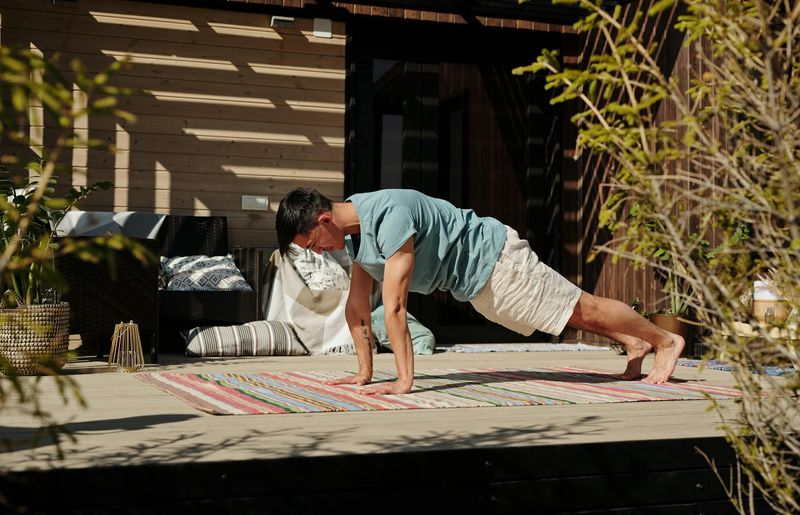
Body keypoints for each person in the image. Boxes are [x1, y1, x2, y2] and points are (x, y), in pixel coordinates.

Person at [276, 187, 684, 395]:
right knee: (566, 317)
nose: (319, 252)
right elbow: (357, 307)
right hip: (475, 283)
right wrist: (364, 373)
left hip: (495, 262)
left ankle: (665, 340)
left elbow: (395, 306)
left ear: (324, 219)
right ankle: (635, 342)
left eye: (313, 243)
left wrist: (403, 381)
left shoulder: (388, 217)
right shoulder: (354, 236)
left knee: (583, 308)